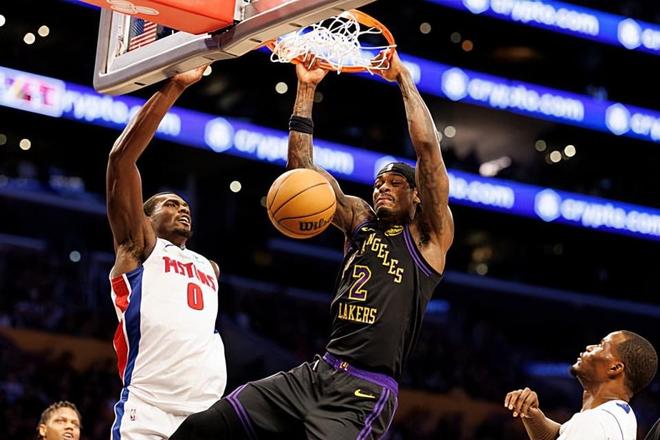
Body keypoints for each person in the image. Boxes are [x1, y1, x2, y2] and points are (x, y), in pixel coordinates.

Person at [171, 50, 454, 439]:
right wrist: (305, 89)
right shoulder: (360, 220)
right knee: (202, 427)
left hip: (364, 391)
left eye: (395, 183)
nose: (382, 188)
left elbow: (428, 153)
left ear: (418, 195)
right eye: (378, 183)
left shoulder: (427, 237)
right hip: (318, 372)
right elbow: (302, 172)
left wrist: (404, 79)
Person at [106, 66, 227, 439]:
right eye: (171, 204)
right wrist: (175, 86)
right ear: (146, 217)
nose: (182, 209)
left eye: (185, 205)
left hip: (205, 415)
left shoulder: (210, 267)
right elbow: (121, 160)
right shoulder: (140, 246)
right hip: (149, 409)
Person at [505, 330, 658, 440]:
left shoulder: (595, 423)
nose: (589, 347)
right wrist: (532, 415)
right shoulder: (620, 417)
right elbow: (563, 434)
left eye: (601, 345)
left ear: (615, 368)